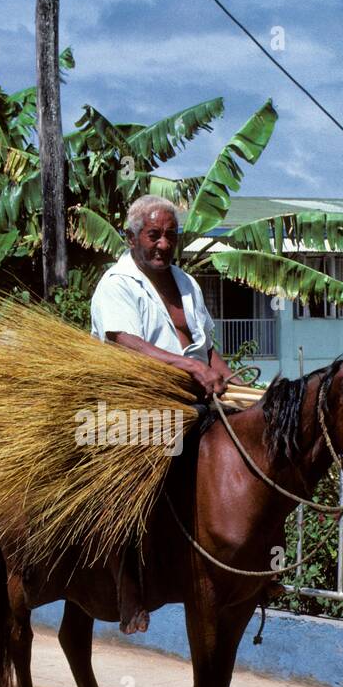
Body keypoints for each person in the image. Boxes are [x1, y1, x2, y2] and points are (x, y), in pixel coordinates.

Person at [89, 195, 234, 634]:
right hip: (132, 405)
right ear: (132, 238)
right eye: (154, 235)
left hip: (193, 401)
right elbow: (126, 343)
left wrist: (218, 366)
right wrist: (190, 366)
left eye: (171, 235)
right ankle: (128, 582)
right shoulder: (116, 284)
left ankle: (249, 569)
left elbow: (205, 343)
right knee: (133, 477)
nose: (164, 244)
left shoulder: (186, 283)